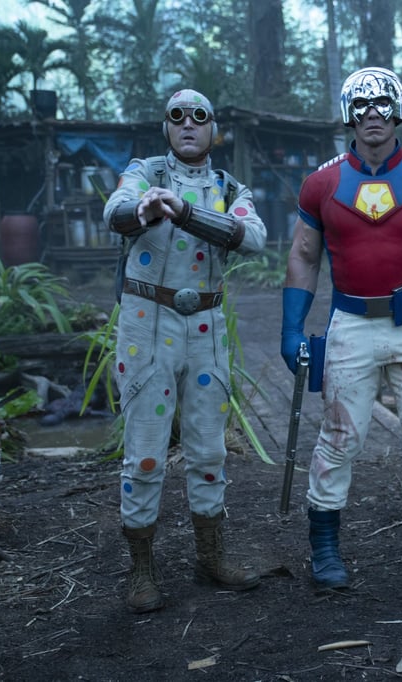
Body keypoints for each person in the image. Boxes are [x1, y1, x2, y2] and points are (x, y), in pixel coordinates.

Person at [280, 67, 402, 596]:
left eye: (383, 104)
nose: (373, 114)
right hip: (350, 326)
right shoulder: (321, 182)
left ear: (399, 111)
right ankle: (324, 546)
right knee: (340, 436)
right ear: (349, 113)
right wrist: (290, 327)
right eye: (363, 105)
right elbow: (303, 256)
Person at [103, 88, 268, 613]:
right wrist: (147, 209)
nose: (189, 124)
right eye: (178, 116)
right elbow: (116, 210)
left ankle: (210, 554)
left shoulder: (227, 185)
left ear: (213, 128)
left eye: (200, 116)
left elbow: (253, 237)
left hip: (206, 326)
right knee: (146, 449)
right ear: (167, 127)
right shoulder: (145, 171)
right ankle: (141, 568)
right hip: (147, 320)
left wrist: (186, 212)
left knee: (209, 447)